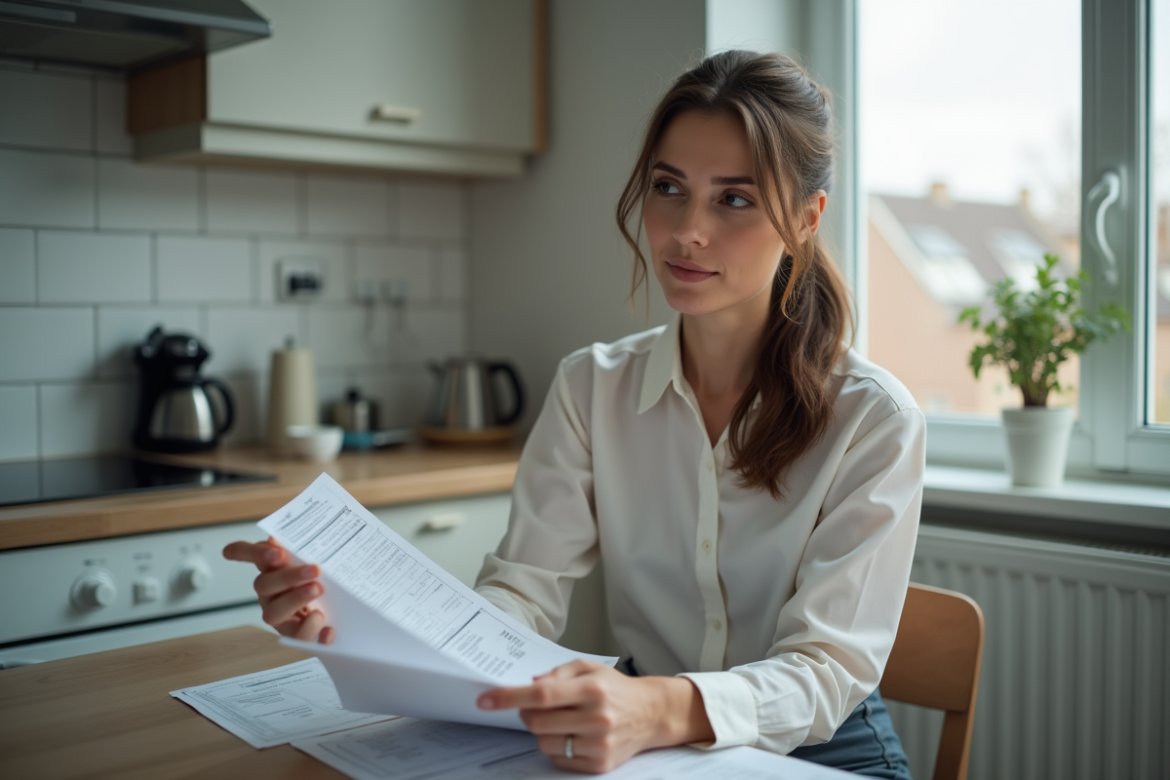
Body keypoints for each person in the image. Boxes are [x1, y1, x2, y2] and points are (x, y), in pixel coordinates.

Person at [225, 50, 923, 779]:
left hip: (824, 753)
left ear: (807, 218)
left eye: (734, 199)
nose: (687, 230)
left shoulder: (873, 420)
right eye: (668, 187)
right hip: (645, 742)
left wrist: (654, 707)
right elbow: (519, 596)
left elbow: (825, 672)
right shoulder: (591, 386)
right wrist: (352, 626)